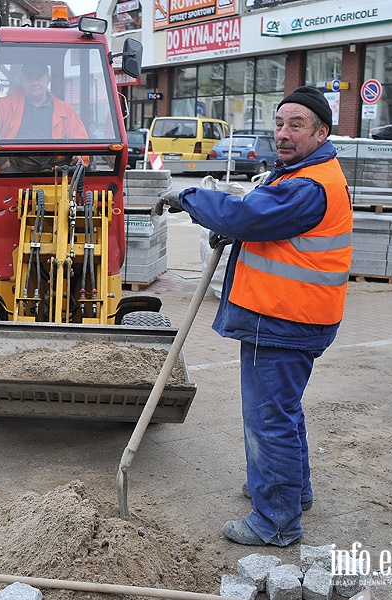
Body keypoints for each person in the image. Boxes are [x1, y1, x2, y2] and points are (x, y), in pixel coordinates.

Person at [155, 86, 353, 547]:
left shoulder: (308, 185)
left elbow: (246, 217)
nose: (283, 134)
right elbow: (257, 219)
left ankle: (276, 520)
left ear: (321, 132)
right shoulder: (300, 173)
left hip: (285, 320)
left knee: (269, 418)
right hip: (290, 317)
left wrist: (189, 198)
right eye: (280, 124)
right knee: (282, 411)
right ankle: (291, 490)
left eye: (296, 125)